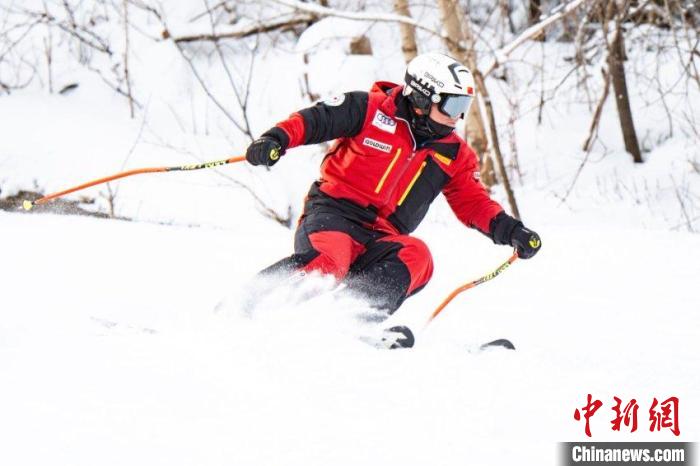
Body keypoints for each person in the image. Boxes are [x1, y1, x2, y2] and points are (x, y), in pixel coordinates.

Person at [245, 51, 541, 318]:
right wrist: (275, 139)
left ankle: (350, 320)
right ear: (424, 98)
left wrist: (512, 231)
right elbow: (316, 120)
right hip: (334, 215)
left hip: (382, 237)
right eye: (452, 105)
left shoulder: (454, 154)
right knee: (329, 262)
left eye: (464, 106)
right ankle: (249, 303)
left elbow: (474, 203)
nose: (458, 117)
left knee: (418, 257)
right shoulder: (369, 109)